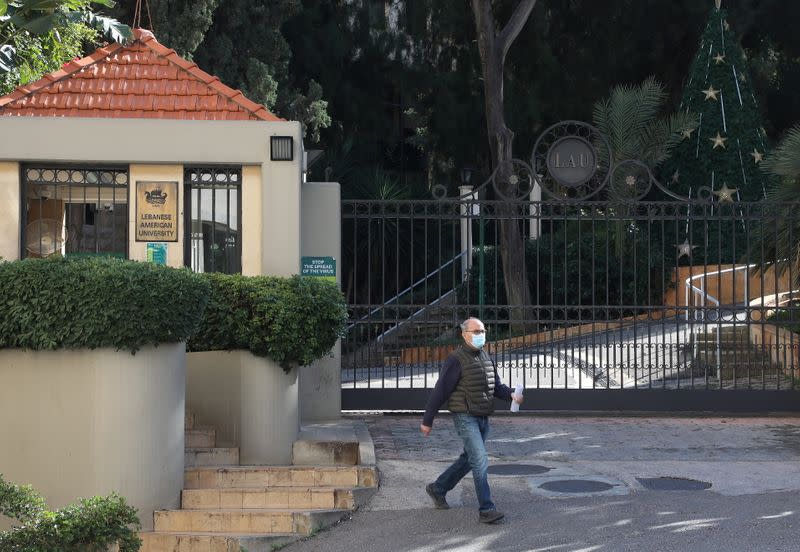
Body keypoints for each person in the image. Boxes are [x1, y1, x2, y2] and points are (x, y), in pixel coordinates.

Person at [420, 317, 523, 524]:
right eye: (476, 332)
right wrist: (427, 420)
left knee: (469, 459)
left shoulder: (486, 356)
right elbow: (441, 391)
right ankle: (486, 509)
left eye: (483, 331)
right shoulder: (455, 359)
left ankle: (438, 488)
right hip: (465, 416)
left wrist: (511, 394)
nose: (481, 335)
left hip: (482, 417)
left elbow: (496, 387)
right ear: (464, 335)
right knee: (480, 459)